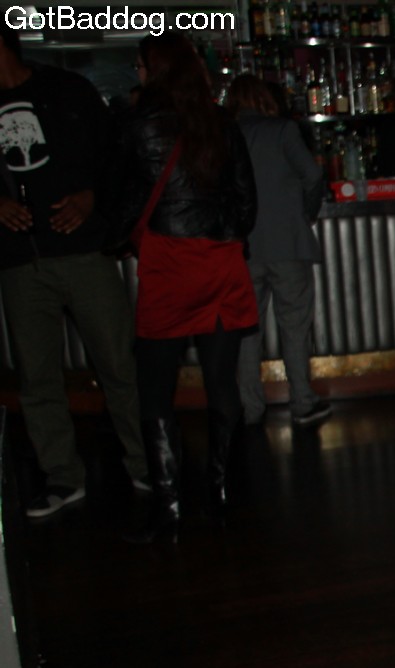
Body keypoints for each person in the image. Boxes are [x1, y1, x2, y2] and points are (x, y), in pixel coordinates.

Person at [114, 33, 258, 542]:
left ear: (154, 70)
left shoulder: (139, 126)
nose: (136, 74)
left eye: (139, 66)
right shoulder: (221, 123)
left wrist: (120, 239)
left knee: (155, 388)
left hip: (169, 265)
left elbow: (123, 201)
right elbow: (246, 205)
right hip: (219, 263)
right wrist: (220, 234)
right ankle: (219, 496)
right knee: (222, 383)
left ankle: (169, 508)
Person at [0, 25, 148, 518]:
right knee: (37, 377)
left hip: (84, 252)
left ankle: (146, 464)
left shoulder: (66, 89)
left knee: (119, 364)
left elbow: (116, 157)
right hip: (19, 260)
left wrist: (91, 197)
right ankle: (62, 477)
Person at [226, 75, 330, 428]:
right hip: (288, 242)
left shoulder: (224, 134)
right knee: (295, 326)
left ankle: (250, 406)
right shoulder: (283, 130)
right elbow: (312, 176)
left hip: (243, 248)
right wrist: (305, 213)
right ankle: (302, 401)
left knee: (246, 331)